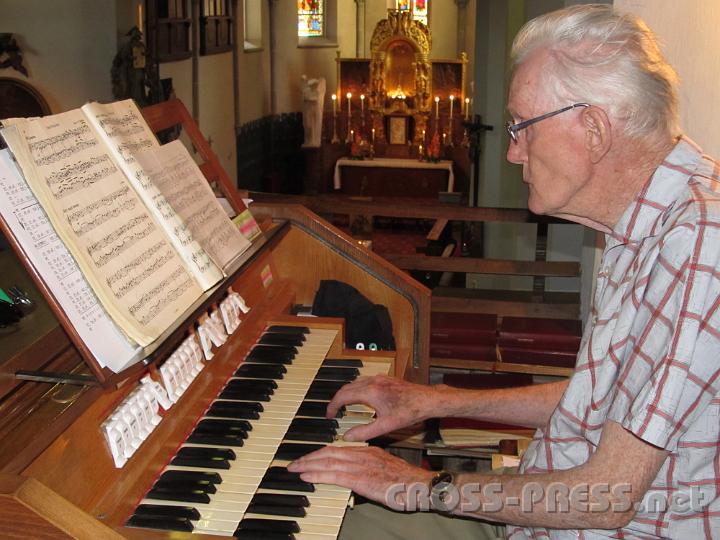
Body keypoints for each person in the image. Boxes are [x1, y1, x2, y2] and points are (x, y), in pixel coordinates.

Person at [289, 4, 720, 539]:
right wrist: (435, 400)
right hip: (539, 510)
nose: (513, 152)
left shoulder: (700, 246)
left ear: (593, 128)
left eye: (522, 127)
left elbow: (609, 498)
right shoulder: (645, 222)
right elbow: (598, 398)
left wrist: (421, 486)